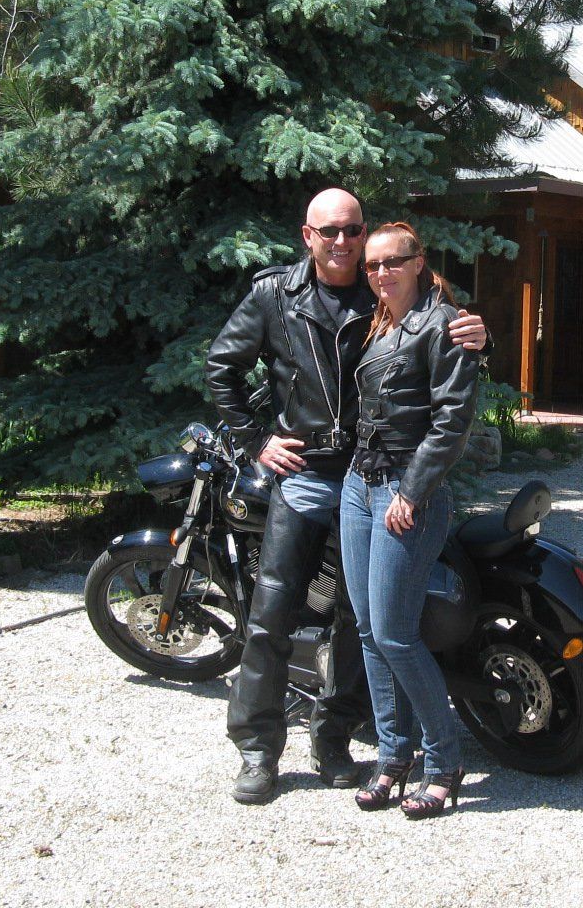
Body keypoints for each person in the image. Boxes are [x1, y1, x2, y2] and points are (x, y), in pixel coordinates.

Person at [204, 190, 486, 805]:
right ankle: (258, 750)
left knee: (364, 619)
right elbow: (222, 366)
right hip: (306, 473)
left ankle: (337, 738)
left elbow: (440, 342)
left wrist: (477, 331)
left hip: (373, 474)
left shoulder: (380, 287)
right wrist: (256, 441)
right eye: (330, 230)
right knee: (273, 611)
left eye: (353, 230)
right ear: (307, 235)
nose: (344, 242)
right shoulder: (275, 294)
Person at [341, 222, 480, 820]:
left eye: (393, 262)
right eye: (372, 265)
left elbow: (452, 418)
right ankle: (393, 758)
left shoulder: (442, 323)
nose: (380, 273)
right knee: (370, 632)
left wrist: (415, 492)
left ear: (419, 263)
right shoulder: (378, 321)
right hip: (357, 486)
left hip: (405, 494)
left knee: (397, 634)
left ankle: (443, 759)